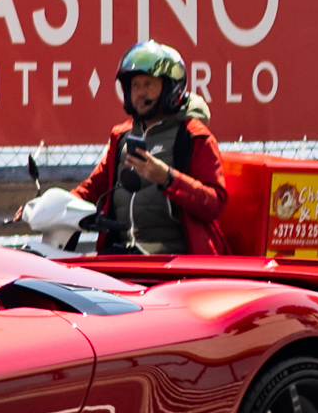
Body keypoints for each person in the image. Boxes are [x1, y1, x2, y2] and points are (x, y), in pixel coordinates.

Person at [72, 41, 230, 255]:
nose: (140, 92)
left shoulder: (194, 136)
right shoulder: (121, 137)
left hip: (175, 261)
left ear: (170, 87)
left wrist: (168, 178)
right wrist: (45, 207)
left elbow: (214, 204)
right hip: (122, 255)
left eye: (148, 84)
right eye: (135, 85)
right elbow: (91, 189)